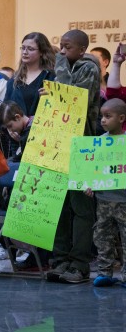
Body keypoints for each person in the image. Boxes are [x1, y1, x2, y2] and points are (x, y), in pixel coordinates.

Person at [46, 29, 101, 284]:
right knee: (59, 203)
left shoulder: (88, 67)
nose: (62, 50)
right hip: (59, 141)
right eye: (60, 46)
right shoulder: (68, 65)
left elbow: (72, 100)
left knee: (81, 207)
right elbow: (58, 98)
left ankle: (80, 263)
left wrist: (58, 65)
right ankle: (60, 259)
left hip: (82, 144)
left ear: (81, 49)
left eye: (67, 47)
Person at [84, 98, 126, 287]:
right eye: (102, 116)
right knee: (102, 237)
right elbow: (94, 169)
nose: (103, 120)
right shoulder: (99, 142)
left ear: (121, 118)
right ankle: (104, 272)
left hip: (123, 200)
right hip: (103, 200)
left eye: (108, 116)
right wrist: (89, 184)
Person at [4, 32, 56, 118]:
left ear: (42, 52)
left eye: (30, 49)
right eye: (23, 48)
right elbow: (6, 108)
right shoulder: (14, 79)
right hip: (16, 130)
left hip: (41, 128)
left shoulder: (51, 77)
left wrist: (50, 99)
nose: (24, 52)